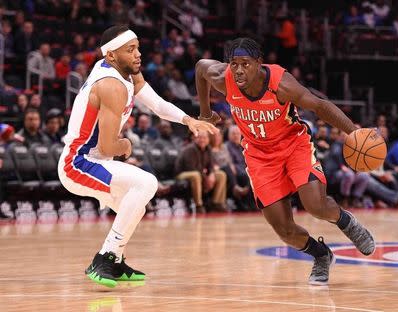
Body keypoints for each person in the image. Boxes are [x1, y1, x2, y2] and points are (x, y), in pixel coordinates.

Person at [194, 37, 375, 285]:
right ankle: (321, 255)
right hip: (259, 156)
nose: (238, 70)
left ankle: (347, 223)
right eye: (233, 64)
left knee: (315, 206)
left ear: (259, 63)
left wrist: (352, 131)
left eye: (245, 64)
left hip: (293, 146)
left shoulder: (281, 84)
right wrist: (204, 111)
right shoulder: (223, 77)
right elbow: (201, 67)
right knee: (284, 231)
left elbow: (320, 106)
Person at [57, 25, 217, 288]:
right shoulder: (111, 85)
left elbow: (155, 104)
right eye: (130, 50)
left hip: (97, 162)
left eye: (138, 47)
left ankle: (116, 259)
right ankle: (105, 257)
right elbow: (109, 147)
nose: (138, 54)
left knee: (135, 206)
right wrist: (125, 144)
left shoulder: (126, 73)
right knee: (146, 183)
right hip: (79, 163)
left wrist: (188, 120)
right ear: (111, 56)